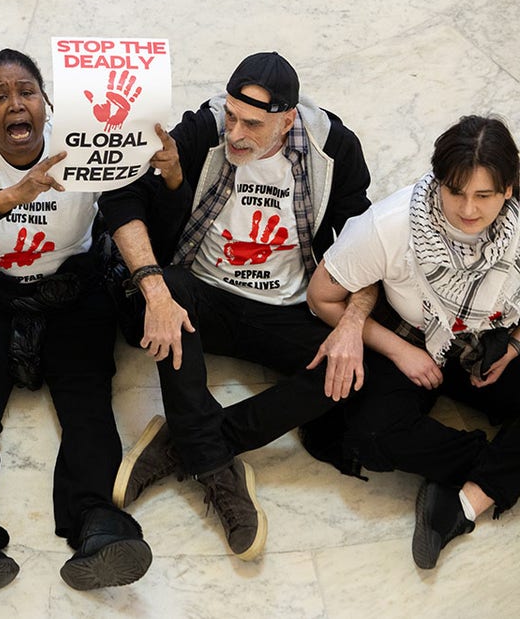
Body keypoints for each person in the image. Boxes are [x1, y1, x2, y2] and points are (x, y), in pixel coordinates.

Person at [99, 51, 374, 560]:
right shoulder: (203, 129)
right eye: (231, 115)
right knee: (166, 292)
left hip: (286, 308)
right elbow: (119, 198)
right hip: (204, 294)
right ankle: (215, 468)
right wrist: (155, 292)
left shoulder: (333, 146)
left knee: (353, 368)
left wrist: (353, 322)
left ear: (288, 118)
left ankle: (191, 441)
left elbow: (367, 242)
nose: (234, 132)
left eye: (252, 123)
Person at [0, 48, 151, 599]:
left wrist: (161, 168)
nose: (14, 104)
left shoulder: (84, 139)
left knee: (87, 396)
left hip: (72, 289)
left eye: (26, 93)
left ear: (46, 101)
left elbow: (126, 205)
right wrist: (14, 194)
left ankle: (96, 519)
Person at [307, 115, 520, 569]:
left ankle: (463, 503)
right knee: (371, 436)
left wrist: (516, 344)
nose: (467, 209)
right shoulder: (389, 224)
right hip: (412, 336)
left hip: (491, 338)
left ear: (508, 190)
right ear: (438, 179)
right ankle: (498, 465)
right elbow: (321, 296)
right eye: (455, 191)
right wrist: (400, 350)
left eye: (484, 195)